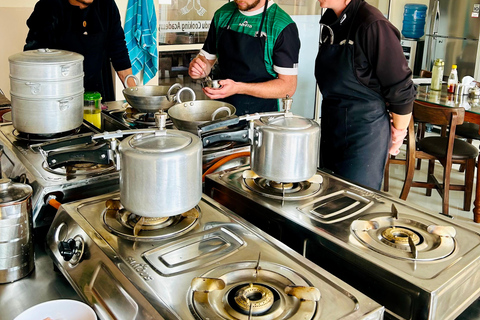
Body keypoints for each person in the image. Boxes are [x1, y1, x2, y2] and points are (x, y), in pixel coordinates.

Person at [315, 0, 415, 190]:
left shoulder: (372, 24)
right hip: (332, 126)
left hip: (364, 134)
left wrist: (398, 134)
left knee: (354, 202)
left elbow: (401, 88)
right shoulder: (331, 23)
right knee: (329, 199)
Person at [188, 0, 301, 115]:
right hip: (220, 111)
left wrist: (238, 88)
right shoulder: (223, 13)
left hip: (259, 118)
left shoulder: (280, 25)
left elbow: (288, 87)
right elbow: (206, 58)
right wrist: (199, 68)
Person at [24, 0, 136, 102]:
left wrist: (137, 97)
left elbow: (119, 53)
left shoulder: (106, 5)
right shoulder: (48, 7)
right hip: (59, 103)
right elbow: (35, 63)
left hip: (98, 101)